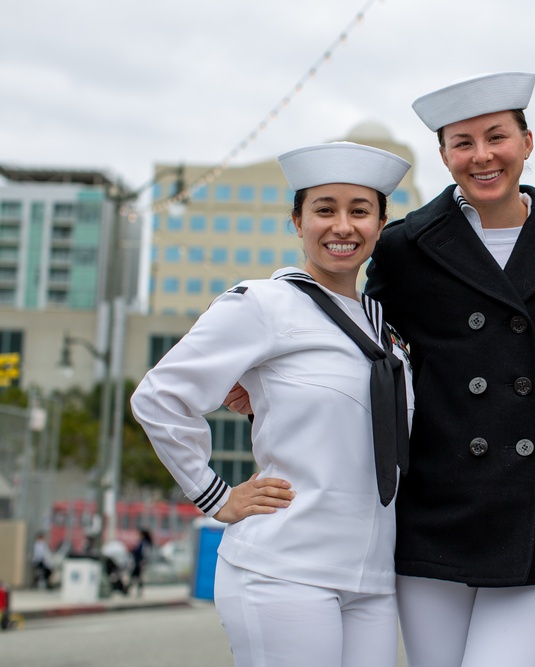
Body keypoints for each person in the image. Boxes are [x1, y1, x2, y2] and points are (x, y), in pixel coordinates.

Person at [131, 141, 414, 667]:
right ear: (297, 221)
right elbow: (159, 396)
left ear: (380, 224)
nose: (343, 226)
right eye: (324, 209)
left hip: (372, 578)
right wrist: (215, 495)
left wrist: (266, 403)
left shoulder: (387, 330)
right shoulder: (264, 303)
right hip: (284, 568)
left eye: (359, 211)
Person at [367, 72, 535, 667]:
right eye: (463, 142)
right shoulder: (402, 248)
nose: (482, 156)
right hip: (435, 516)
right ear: (444, 155)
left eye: (496, 137)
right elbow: (363, 345)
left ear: (527, 142)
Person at [129, 528, 153, 595]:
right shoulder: (144, 542)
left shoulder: (144, 543)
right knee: (137, 576)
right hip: (139, 561)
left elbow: (143, 552)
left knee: (135, 576)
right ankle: (135, 590)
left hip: (139, 562)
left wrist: (134, 551)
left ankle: (129, 590)